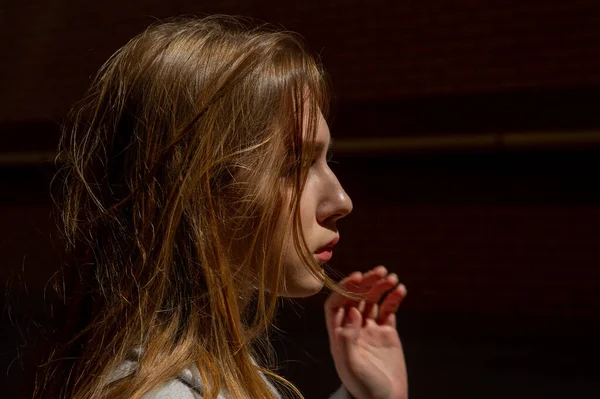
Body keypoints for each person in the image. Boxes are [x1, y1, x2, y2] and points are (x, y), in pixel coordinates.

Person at [33, 15, 408, 399]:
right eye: (294, 165)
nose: (341, 201)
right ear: (199, 189)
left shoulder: (207, 370)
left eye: (328, 160)